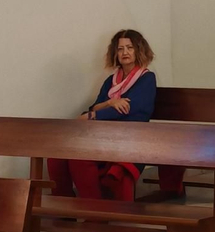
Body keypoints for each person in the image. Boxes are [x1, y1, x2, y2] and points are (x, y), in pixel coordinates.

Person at [45, 30, 165, 201]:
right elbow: (95, 106)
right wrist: (110, 103)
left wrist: (92, 116)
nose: (124, 52)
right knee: (55, 156)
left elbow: (127, 109)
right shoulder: (111, 80)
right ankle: (64, 205)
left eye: (130, 48)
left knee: (79, 159)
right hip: (104, 133)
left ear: (139, 50)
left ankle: (95, 210)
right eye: (120, 49)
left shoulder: (146, 78)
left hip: (129, 136)